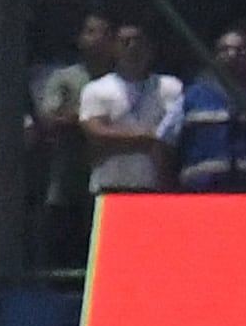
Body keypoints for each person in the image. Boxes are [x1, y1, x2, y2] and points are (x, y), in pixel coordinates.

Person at [158, 27, 246, 193]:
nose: (232, 56)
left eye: (241, 51)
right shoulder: (190, 97)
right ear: (214, 57)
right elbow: (163, 145)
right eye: (225, 50)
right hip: (202, 200)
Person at [32, 11, 113, 270]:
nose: (96, 39)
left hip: (108, 177)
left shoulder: (120, 81)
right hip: (68, 179)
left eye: (103, 33)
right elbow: (50, 119)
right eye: (90, 32)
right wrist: (89, 121)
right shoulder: (66, 78)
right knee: (65, 251)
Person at [76, 23, 179, 198]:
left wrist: (115, 143)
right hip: (109, 186)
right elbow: (96, 133)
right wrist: (148, 138)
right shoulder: (96, 89)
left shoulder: (171, 87)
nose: (133, 47)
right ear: (114, 48)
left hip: (155, 188)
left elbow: (173, 135)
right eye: (125, 42)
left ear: (150, 48)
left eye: (138, 41)